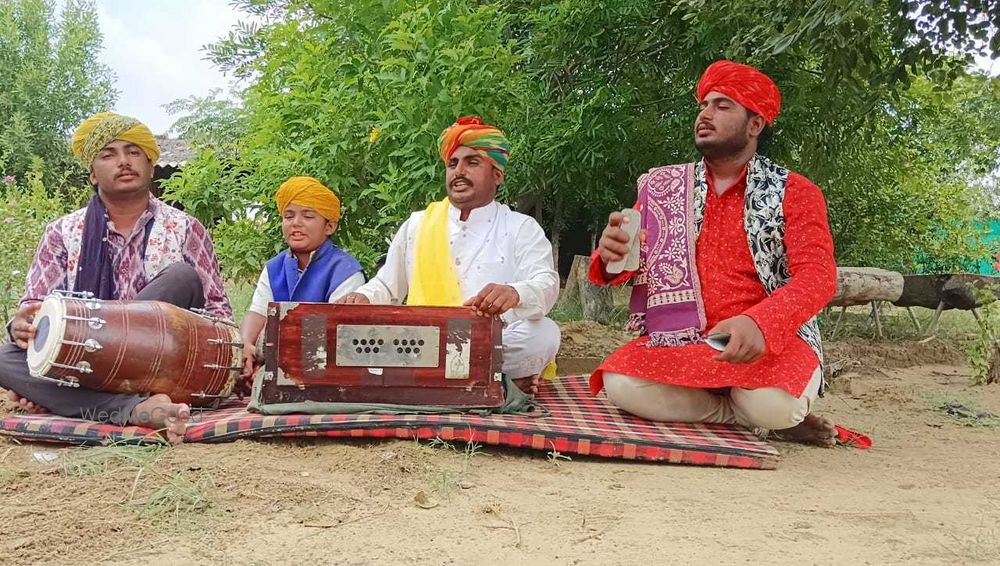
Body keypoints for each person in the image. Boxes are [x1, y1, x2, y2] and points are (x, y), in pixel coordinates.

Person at [590, 61, 838, 446]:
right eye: (703, 105)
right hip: (686, 340)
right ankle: (739, 417)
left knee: (774, 404)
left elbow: (818, 278)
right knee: (620, 383)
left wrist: (761, 323)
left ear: (754, 126)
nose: (705, 115)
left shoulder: (796, 191)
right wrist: (609, 257)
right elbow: (626, 264)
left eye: (722, 106)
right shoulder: (664, 186)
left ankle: (767, 415)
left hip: (767, 340)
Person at [0, 112, 233, 444]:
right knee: (5, 358)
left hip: (161, 365)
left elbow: (220, 319)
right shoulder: (62, 233)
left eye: (133, 151)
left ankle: (70, 401)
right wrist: (20, 325)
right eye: (109, 154)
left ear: (151, 164)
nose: (123, 161)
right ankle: (133, 410)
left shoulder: (185, 228)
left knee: (181, 278)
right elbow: (36, 313)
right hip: (84, 363)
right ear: (93, 174)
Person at [337, 116, 560, 394]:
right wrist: (365, 296)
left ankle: (460, 376)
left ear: (497, 175)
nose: (459, 171)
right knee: (358, 333)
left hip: (489, 344)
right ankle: (497, 380)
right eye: (452, 164)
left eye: (472, 162)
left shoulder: (520, 227)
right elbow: (387, 285)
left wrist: (515, 292)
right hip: (421, 342)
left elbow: (546, 283)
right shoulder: (418, 223)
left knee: (544, 333)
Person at [239, 176, 365, 382]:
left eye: (307, 216)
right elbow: (258, 312)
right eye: (288, 217)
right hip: (273, 362)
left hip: (325, 370)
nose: (296, 223)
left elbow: (337, 337)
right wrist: (245, 345)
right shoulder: (274, 267)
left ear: (329, 227)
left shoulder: (346, 272)